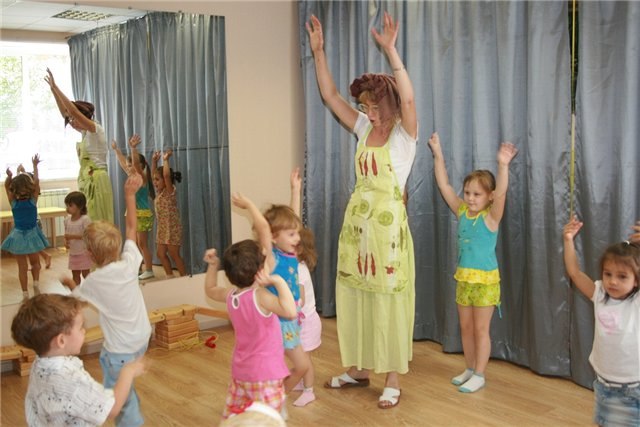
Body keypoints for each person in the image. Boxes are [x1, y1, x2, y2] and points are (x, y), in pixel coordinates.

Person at [306, 12, 417, 408]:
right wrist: (319, 52)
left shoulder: (405, 136)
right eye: (364, 106)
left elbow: (408, 98)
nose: (368, 112)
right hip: (357, 232)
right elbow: (331, 96)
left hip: (387, 238)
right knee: (356, 297)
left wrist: (391, 51)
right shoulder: (362, 129)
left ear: (389, 106)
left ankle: (392, 379)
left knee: (387, 302)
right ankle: (358, 369)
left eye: (373, 106)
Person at [428, 132, 518, 392]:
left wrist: (503, 165)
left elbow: (502, 194)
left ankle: (480, 373)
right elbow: (444, 185)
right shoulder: (462, 212)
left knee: (480, 329)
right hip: (464, 280)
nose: (470, 198)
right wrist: (438, 153)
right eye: (467, 192)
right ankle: (469, 368)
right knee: (466, 328)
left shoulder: (491, 218)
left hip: (485, 282)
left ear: (489, 196)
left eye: (477, 194)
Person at [61, 172, 152, 427]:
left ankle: (130, 418)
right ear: (117, 245)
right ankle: (129, 397)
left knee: (117, 400)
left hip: (120, 350)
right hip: (142, 339)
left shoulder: (94, 282)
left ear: (90, 254)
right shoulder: (130, 263)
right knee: (125, 386)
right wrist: (129, 194)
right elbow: (132, 227)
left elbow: (76, 300)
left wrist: (68, 282)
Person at [10, 294, 148, 426]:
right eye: (80, 327)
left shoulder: (39, 365)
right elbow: (112, 408)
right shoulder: (71, 380)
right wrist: (128, 372)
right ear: (61, 340)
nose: (84, 331)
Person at [203, 244, 296, 419]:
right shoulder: (260, 296)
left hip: (241, 372)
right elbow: (290, 312)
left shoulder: (231, 295)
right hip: (266, 374)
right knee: (267, 420)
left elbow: (211, 289)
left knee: (237, 418)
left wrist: (213, 265)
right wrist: (278, 281)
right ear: (260, 271)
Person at [563, 216, 640, 426]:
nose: (613, 281)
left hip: (631, 388)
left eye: (622, 276)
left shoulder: (636, 302)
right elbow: (575, 273)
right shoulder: (599, 294)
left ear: (636, 281)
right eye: (608, 274)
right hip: (603, 384)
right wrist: (568, 240)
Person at [234, 193, 312, 396]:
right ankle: (275, 397)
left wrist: (295, 189)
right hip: (279, 322)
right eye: (292, 234)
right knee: (301, 365)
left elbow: (293, 219)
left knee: (292, 366)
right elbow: (263, 228)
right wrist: (249, 204)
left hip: (290, 319)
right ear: (274, 237)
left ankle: (271, 396)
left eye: (297, 233)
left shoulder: (291, 252)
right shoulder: (271, 258)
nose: (298, 238)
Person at [45, 68, 114, 223]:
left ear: (83, 117)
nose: (72, 122)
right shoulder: (84, 133)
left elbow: (73, 111)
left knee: (98, 221)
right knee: (86, 220)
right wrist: (53, 91)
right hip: (87, 179)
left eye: (74, 119)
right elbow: (66, 113)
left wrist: (57, 88)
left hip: (97, 181)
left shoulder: (95, 129)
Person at [1, 155, 49, 300]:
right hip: (30, 234)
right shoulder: (32, 200)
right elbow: (36, 182)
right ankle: (32, 287)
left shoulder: (14, 202)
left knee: (26, 266)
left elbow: (7, 186)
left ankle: (28, 291)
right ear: (30, 188)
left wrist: (9, 177)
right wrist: (35, 166)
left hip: (19, 236)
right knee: (33, 264)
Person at [112, 134, 156, 280]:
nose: (129, 167)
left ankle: (149, 269)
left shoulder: (142, 178)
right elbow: (123, 163)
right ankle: (138, 268)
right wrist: (116, 150)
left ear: (142, 166)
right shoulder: (132, 176)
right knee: (135, 244)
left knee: (143, 244)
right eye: (129, 165)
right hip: (134, 213)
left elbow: (135, 164)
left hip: (142, 214)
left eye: (132, 165)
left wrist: (133, 148)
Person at [291, 227, 322, 408]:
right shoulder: (293, 267)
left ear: (300, 249)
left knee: (304, 359)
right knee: (299, 357)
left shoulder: (299, 270)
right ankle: (302, 382)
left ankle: (309, 391)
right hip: (300, 321)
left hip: (307, 323)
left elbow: (300, 299)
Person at [151, 149, 186, 277]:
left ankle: (184, 279)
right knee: (160, 254)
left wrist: (166, 160)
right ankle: (170, 277)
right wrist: (154, 161)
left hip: (172, 228)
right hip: (162, 228)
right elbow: (153, 174)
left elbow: (166, 176)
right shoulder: (159, 193)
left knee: (174, 254)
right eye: (154, 180)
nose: (155, 182)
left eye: (157, 180)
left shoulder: (170, 191)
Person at [16, 163, 52, 269]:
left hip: (34, 223)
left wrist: (23, 171)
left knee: (32, 245)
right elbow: (19, 183)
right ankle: (43, 257)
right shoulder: (24, 195)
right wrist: (20, 172)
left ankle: (39, 261)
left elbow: (33, 182)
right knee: (31, 245)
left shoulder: (32, 195)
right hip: (30, 223)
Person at [63, 191, 92, 285]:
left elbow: (88, 235)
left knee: (86, 274)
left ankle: (91, 291)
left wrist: (72, 236)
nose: (67, 208)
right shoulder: (67, 220)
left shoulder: (85, 219)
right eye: (67, 205)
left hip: (84, 252)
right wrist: (65, 242)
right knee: (75, 275)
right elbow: (66, 234)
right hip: (73, 253)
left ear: (80, 206)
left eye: (70, 205)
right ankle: (76, 292)